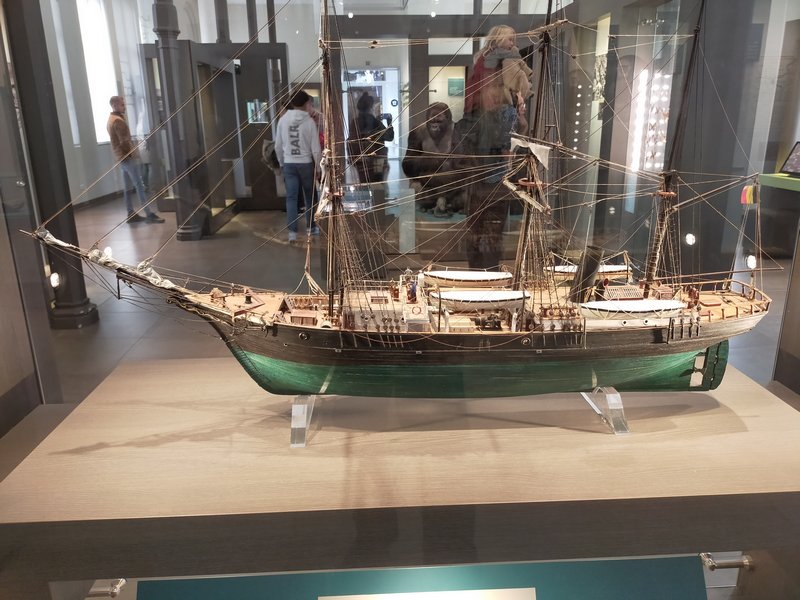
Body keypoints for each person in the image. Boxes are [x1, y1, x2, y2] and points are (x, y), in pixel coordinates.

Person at [459, 25, 532, 269]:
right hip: (485, 176)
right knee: (478, 230)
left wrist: (518, 119)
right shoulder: (484, 114)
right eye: (509, 40)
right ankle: (480, 274)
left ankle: (488, 274)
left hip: (494, 178)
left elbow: (512, 141)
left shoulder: (503, 111)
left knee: (490, 231)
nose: (513, 44)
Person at [107, 96, 164, 223]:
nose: (125, 107)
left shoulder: (110, 119)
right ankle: (149, 214)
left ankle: (130, 213)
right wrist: (133, 153)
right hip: (127, 158)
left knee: (128, 187)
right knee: (139, 185)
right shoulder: (118, 121)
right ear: (115, 105)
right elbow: (124, 142)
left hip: (121, 158)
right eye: (122, 105)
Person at [274, 90, 322, 243]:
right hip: (306, 164)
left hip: (289, 164)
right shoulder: (309, 122)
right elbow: (315, 148)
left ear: (292, 103)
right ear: (306, 103)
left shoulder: (283, 120)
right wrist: (318, 168)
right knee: (310, 196)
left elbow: (278, 146)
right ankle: (311, 228)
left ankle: (292, 233)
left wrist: (281, 163)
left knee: (291, 198)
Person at [347, 92, 394, 184]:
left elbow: (353, 140)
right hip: (377, 159)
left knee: (364, 184)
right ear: (371, 108)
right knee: (378, 186)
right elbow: (389, 137)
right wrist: (389, 123)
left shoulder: (355, 122)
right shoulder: (375, 122)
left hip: (361, 160)